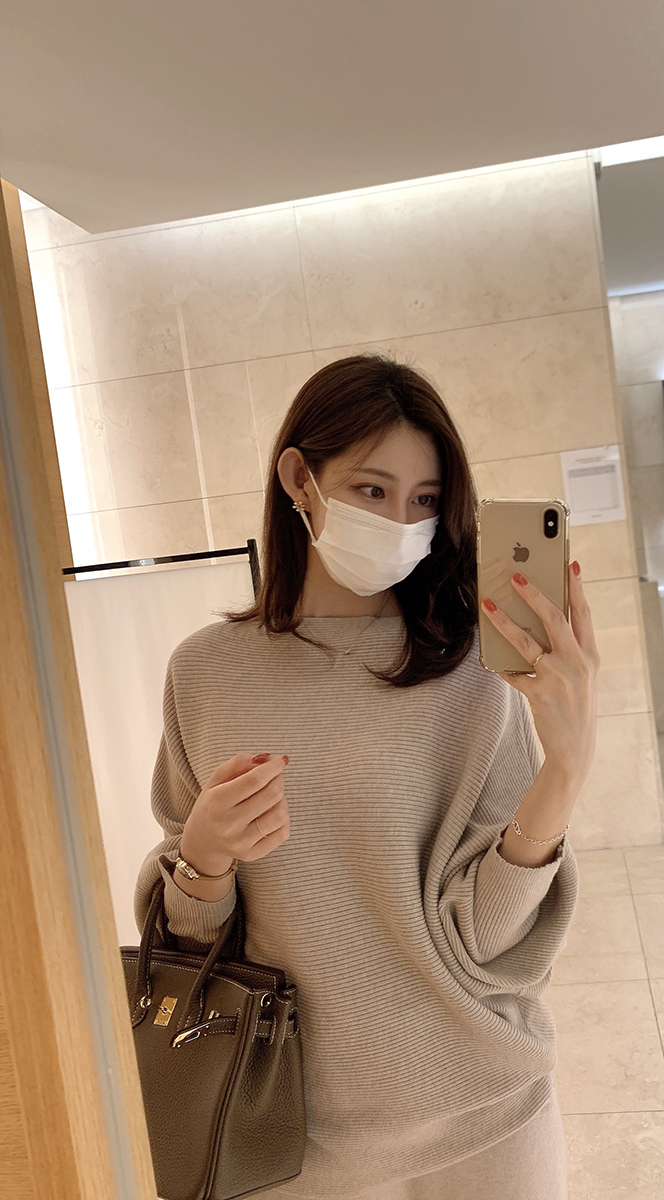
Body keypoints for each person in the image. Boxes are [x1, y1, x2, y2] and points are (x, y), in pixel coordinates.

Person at [133, 353, 600, 1199]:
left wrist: (563, 772)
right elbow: (188, 954)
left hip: (485, 1113)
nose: (401, 522)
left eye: (425, 501)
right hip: (285, 1135)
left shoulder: (477, 672)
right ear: (299, 480)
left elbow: (488, 945)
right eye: (373, 490)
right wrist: (203, 859)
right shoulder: (204, 673)